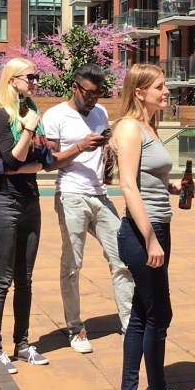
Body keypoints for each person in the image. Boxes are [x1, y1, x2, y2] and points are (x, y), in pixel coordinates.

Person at [108, 63, 195, 390]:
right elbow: (128, 186)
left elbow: (147, 180)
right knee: (159, 315)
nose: (167, 92)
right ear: (139, 92)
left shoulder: (149, 126)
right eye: (160, 87)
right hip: (141, 232)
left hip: (157, 227)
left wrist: (172, 186)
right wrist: (149, 238)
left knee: (144, 315)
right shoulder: (130, 127)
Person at [40, 65, 129, 353]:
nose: (93, 99)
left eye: (98, 94)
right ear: (75, 87)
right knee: (73, 265)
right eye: (89, 93)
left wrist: (107, 153)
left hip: (100, 195)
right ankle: (75, 328)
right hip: (71, 195)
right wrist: (80, 146)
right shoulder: (54, 115)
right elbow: (49, 163)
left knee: (123, 258)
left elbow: (104, 152)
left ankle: (130, 323)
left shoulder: (101, 113)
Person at [0, 58, 51, 375]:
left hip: (31, 203)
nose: (36, 82)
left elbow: (44, 160)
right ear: (13, 81)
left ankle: (22, 344)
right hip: (5, 205)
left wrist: (27, 156)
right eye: (30, 77)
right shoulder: (0, 117)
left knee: (25, 281)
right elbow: (12, 162)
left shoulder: (30, 113)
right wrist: (27, 130)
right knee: (3, 279)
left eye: (37, 77)